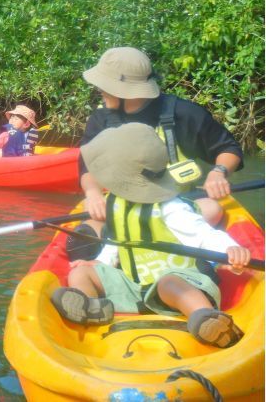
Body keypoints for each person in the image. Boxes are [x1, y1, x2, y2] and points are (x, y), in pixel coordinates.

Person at [51, 123, 251, 348]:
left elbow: (202, 234)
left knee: (168, 283)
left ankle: (206, 318)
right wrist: (99, 262)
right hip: (137, 286)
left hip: (183, 284)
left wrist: (229, 249)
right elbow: (119, 242)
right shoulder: (118, 203)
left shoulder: (170, 208)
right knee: (82, 273)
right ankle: (93, 308)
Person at [68, 47, 244, 260]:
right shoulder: (101, 119)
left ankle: (135, 246)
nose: (100, 91)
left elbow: (228, 149)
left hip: (177, 203)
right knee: (82, 240)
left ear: (124, 90)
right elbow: (87, 166)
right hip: (123, 204)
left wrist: (218, 172)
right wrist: (93, 194)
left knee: (212, 209)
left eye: (105, 86)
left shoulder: (185, 114)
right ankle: (110, 254)